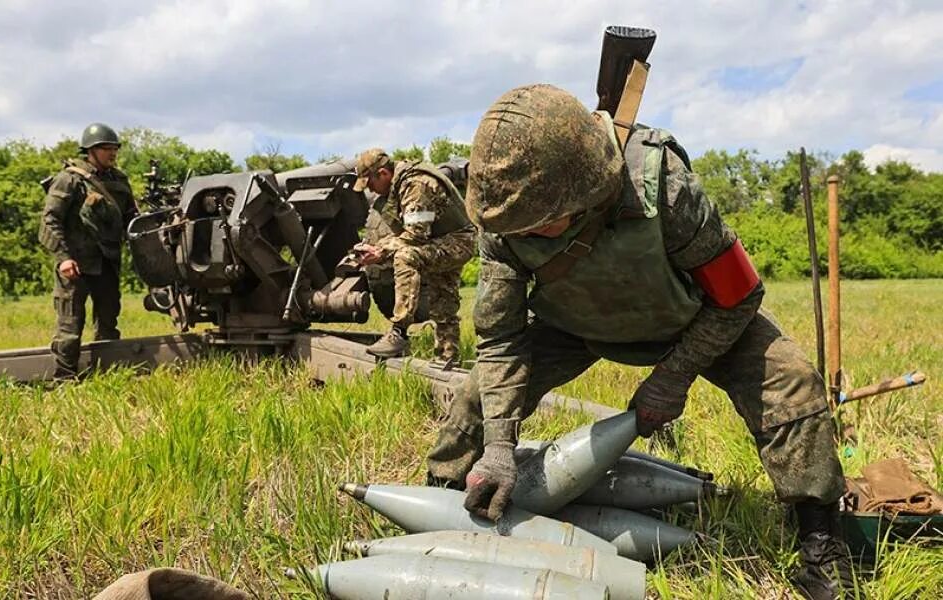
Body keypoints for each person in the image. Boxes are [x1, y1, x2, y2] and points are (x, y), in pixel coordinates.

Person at [424, 84, 853, 600]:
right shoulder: (504, 221)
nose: (528, 237)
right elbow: (501, 339)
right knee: (476, 397)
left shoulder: (664, 186)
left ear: (586, 188)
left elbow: (739, 295)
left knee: (793, 385)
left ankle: (821, 541)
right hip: (575, 327)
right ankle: (441, 503)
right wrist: (497, 448)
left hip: (691, 318)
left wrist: (672, 378)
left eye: (541, 226)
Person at [351, 148, 475, 365]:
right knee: (443, 301)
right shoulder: (402, 182)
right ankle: (448, 358)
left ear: (383, 174)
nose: (370, 190)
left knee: (406, 257)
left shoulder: (415, 184)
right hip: (444, 240)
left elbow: (416, 234)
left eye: (370, 183)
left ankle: (399, 332)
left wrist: (380, 251)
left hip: (457, 242)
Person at [38, 123, 138, 380]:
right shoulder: (69, 179)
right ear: (90, 151)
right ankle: (64, 379)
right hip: (75, 265)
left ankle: (106, 377)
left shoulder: (119, 180)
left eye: (114, 148)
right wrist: (63, 258)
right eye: (106, 148)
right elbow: (49, 221)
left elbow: (132, 220)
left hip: (106, 264)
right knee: (70, 326)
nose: (112, 152)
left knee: (108, 323)